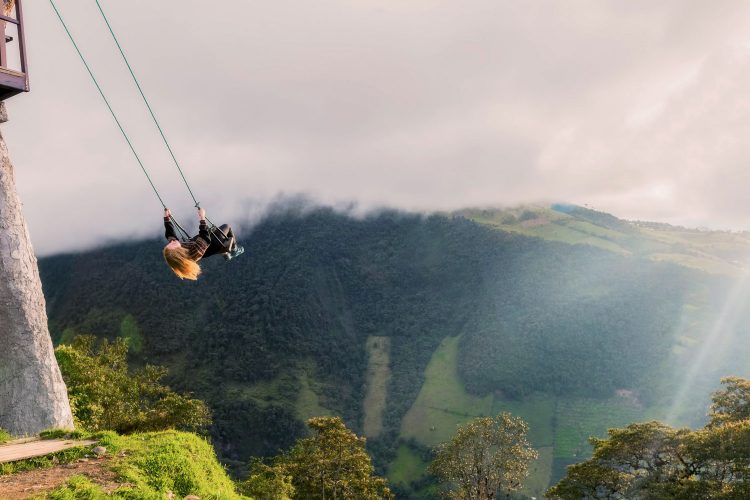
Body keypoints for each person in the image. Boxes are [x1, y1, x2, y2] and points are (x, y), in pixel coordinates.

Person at [163, 207, 244, 280]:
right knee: (227, 227)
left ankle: (225, 253)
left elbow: (170, 236)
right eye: (173, 244)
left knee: (211, 234)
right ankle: (234, 250)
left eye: (169, 243)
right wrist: (202, 217)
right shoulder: (194, 253)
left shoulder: (176, 251)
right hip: (214, 244)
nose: (172, 242)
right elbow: (205, 238)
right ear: (178, 252)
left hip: (206, 247)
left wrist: (166, 218)